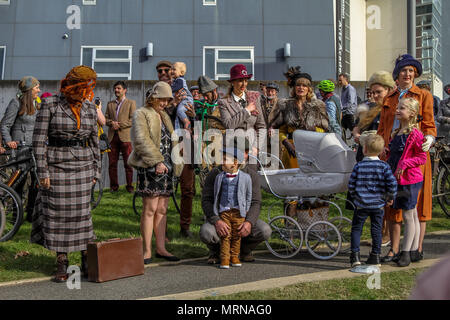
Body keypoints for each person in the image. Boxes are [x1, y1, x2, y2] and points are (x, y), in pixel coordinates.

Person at [30, 66, 101, 282]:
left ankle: (86, 259)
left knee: (82, 215)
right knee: (58, 215)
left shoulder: (89, 108)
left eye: (88, 88)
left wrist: (96, 170)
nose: (85, 92)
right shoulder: (51, 104)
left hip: (83, 167)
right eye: (82, 87)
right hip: (56, 167)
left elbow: (94, 141)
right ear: (71, 85)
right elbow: (38, 141)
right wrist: (42, 172)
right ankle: (63, 261)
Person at [377, 54, 436, 264]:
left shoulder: (424, 95)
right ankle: (393, 249)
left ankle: (414, 249)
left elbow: (429, 123)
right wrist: (379, 146)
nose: (408, 74)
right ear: (397, 74)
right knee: (393, 204)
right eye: (404, 70)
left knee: (417, 204)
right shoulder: (389, 98)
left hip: (414, 156)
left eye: (411, 70)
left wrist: (429, 138)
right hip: (391, 155)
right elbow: (382, 128)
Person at [128, 81, 184, 264]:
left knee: (162, 209)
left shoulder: (164, 116)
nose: (164, 103)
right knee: (150, 209)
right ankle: (146, 251)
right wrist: (157, 161)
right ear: (153, 97)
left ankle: (161, 248)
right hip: (151, 167)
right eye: (161, 99)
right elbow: (141, 140)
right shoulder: (141, 113)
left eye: (167, 100)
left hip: (166, 168)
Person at [200, 139, 271, 264]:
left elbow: (256, 202)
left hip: (241, 219)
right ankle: (216, 252)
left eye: (242, 152)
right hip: (222, 218)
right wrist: (217, 221)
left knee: (264, 230)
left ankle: (244, 251)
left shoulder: (251, 175)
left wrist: (249, 222)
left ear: (246, 154)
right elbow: (206, 200)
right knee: (207, 232)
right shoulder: (216, 173)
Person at [351, 71, 396, 244]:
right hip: (367, 154)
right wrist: (357, 135)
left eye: (379, 92)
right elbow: (357, 128)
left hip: (384, 157)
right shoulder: (369, 108)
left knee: (382, 196)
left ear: (388, 90)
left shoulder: (393, 108)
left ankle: (384, 234)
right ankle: (378, 233)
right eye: (373, 92)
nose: (375, 95)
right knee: (369, 194)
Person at [387, 98, 427, 267]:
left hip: (410, 180)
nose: (398, 110)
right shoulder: (397, 132)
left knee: (409, 215)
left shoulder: (415, 134)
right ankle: (414, 251)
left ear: (411, 113)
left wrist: (405, 163)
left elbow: (422, 157)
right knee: (410, 215)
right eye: (398, 107)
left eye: (402, 108)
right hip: (398, 179)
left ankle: (406, 252)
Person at [348, 134, 397, 267]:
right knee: (376, 230)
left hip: (361, 204)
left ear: (364, 150)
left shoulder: (359, 166)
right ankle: (376, 255)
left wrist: (355, 197)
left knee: (357, 229)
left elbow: (351, 184)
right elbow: (392, 184)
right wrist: (389, 197)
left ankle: (355, 256)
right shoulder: (384, 167)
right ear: (382, 152)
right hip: (378, 205)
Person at [270, 66, 329, 169]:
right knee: (291, 179)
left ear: (309, 89)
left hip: (312, 148)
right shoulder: (285, 105)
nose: (301, 88)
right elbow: (279, 129)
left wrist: (311, 141)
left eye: (304, 85)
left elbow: (324, 128)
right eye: (298, 85)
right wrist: (286, 143)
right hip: (292, 149)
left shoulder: (318, 106)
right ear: (294, 87)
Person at [0, 76, 41, 221]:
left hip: (32, 148)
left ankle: (31, 216)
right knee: (20, 182)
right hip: (20, 148)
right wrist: (9, 141)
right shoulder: (16, 103)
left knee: (36, 182)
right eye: (36, 87)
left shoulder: (36, 104)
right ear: (30, 89)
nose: (39, 90)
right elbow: (5, 125)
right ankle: (15, 216)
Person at [214, 148, 252, 269]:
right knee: (225, 235)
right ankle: (224, 258)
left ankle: (235, 256)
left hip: (238, 211)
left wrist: (246, 208)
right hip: (224, 210)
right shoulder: (219, 177)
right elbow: (216, 194)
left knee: (237, 235)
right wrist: (217, 210)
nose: (222, 161)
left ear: (235, 163)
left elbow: (248, 195)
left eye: (225, 159)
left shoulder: (246, 178)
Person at [218, 64, 266, 156]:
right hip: (232, 148)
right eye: (240, 81)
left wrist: (256, 147)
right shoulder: (224, 102)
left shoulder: (254, 97)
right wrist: (246, 111)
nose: (244, 84)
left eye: (245, 80)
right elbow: (229, 125)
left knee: (251, 170)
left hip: (252, 148)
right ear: (232, 82)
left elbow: (262, 126)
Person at [105, 81, 136, 193]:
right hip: (112, 137)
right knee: (112, 164)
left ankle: (129, 187)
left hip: (125, 137)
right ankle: (114, 187)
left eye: (118, 88)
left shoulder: (131, 103)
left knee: (128, 163)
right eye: (115, 88)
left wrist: (119, 125)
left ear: (124, 90)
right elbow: (105, 119)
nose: (116, 90)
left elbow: (133, 120)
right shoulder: (110, 104)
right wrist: (111, 123)